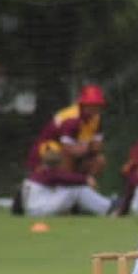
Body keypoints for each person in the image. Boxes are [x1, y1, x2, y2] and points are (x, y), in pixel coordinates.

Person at [19, 84, 113, 216]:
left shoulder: (96, 119)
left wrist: (85, 149)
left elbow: (97, 147)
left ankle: (90, 201)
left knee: (99, 161)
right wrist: (83, 178)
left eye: (97, 105)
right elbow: (69, 150)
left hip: (70, 154)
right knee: (69, 173)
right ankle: (92, 202)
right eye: (91, 105)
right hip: (50, 153)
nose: (94, 108)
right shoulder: (71, 119)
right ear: (83, 104)